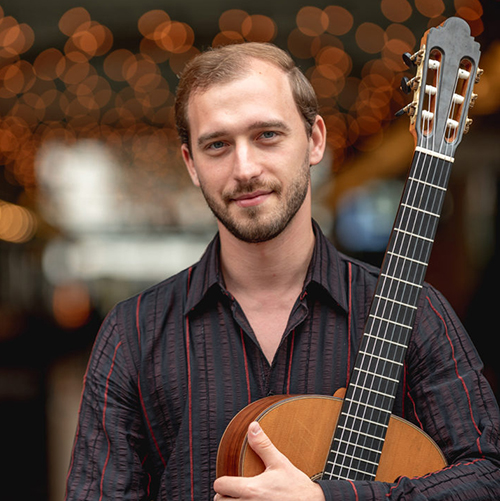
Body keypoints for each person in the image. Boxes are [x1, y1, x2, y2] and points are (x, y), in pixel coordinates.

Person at [65, 42, 500, 500]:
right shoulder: (132, 332)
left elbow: (489, 475)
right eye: (217, 145)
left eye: (267, 135)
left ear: (314, 140)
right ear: (191, 164)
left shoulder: (415, 310)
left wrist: (330, 498)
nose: (245, 168)